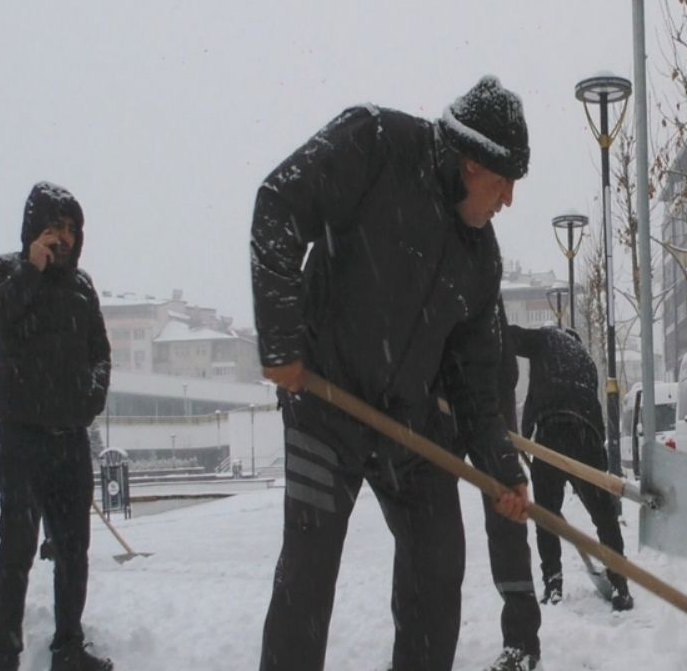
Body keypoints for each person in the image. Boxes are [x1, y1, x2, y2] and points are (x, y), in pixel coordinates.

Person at [251, 76, 532, 671]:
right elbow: (278, 202)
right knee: (308, 573)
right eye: (504, 181)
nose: (507, 200)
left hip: (410, 427)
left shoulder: (481, 259)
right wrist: (280, 340)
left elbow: (477, 383)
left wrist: (503, 471)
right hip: (324, 405)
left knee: (438, 565)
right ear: (472, 161)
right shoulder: (375, 143)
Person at [0, 182, 113, 671]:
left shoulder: (81, 287)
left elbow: (100, 352)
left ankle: (68, 649)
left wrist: (91, 398)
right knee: (16, 550)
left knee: (75, 551)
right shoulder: (4, 272)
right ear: (35, 229)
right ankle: (4, 657)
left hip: (71, 440)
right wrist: (29, 271)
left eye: (71, 228)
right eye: (55, 227)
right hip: (22, 440)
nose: (64, 237)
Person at [509, 325, 634, 612]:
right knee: (604, 516)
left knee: (546, 516)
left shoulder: (543, 339)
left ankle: (553, 584)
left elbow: (512, 338)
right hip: (586, 438)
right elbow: (595, 409)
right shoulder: (587, 361)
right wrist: (599, 475)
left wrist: (525, 440)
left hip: (551, 434)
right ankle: (620, 585)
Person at [463, 300, 541, 671]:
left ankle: (522, 642)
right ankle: (419, 645)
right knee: (424, 527)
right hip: (429, 400)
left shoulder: (475, 266)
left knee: (506, 512)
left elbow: (502, 364)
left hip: (488, 392)